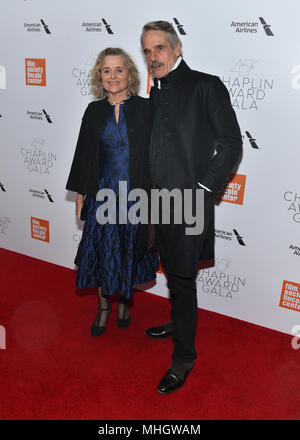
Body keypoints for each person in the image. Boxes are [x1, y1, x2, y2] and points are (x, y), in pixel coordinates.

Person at [141, 21, 243, 394]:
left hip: (188, 203)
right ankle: (178, 320)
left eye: (160, 49)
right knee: (172, 269)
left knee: (182, 278)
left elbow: (232, 143)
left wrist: (203, 189)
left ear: (177, 48)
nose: (153, 57)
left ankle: (183, 357)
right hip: (155, 203)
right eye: (148, 51)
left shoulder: (206, 85)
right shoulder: (153, 92)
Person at [66, 47, 158, 337]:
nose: (113, 76)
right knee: (106, 252)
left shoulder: (145, 109)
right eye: (107, 70)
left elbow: (159, 152)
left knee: (129, 248)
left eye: (119, 69)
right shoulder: (94, 111)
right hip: (103, 194)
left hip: (135, 195)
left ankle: (124, 304)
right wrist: (81, 194)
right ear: (99, 75)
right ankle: (104, 306)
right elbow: (83, 154)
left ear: (129, 74)